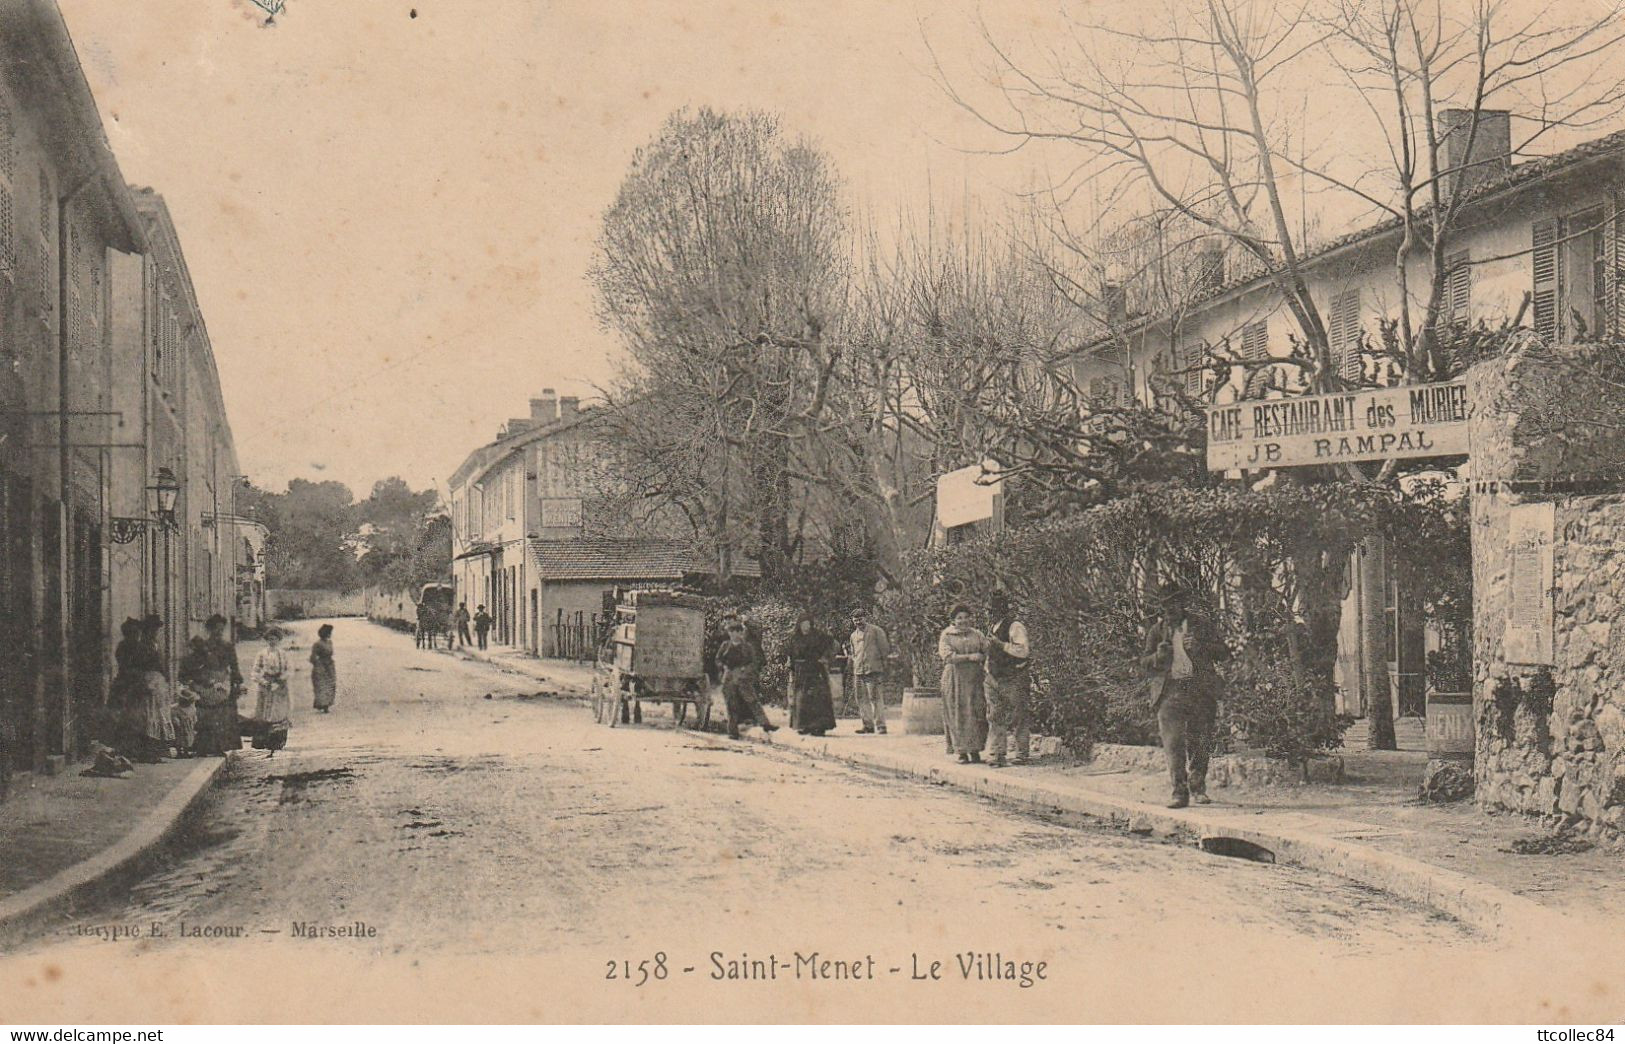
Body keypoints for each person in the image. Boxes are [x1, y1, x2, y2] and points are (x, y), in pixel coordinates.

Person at [1140, 594, 1222, 809]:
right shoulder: (1157, 631)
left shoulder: (1201, 625)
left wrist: (1200, 646)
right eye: (1164, 607)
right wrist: (1158, 657)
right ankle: (1179, 792)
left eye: (1173, 605)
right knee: (1173, 743)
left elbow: (1223, 652)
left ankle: (1198, 786)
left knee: (1201, 740)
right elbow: (1144, 663)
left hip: (1199, 690)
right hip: (1170, 692)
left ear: (1182, 605)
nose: (1169, 611)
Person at [984, 591, 1033, 769]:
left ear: (1002, 610)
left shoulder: (1015, 626)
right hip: (994, 677)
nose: (989, 613)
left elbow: (1023, 651)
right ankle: (997, 754)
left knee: (1018, 715)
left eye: (992, 610)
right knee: (995, 715)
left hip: (1013, 677)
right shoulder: (992, 627)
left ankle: (1021, 753)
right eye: (988, 610)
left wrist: (1001, 645)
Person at [938, 604, 989, 764]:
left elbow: (987, 651)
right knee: (958, 713)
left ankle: (975, 750)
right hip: (955, 678)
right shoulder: (947, 635)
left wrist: (984, 657)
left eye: (966, 617)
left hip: (975, 678)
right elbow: (947, 656)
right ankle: (961, 751)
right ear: (953, 620)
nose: (963, 621)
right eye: (959, 618)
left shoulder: (977, 634)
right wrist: (969, 657)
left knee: (976, 711)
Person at [717, 619, 776, 740]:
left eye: (737, 632)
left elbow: (754, 662)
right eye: (731, 632)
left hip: (743, 678)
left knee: (752, 701)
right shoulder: (725, 645)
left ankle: (766, 724)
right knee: (731, 705)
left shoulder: (747, 647)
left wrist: (745, 670)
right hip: (729, 677)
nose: (734, 634)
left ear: (741, 633)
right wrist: (723, 667)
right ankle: (732, 731)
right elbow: (718, 659)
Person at [194, 614, 244, 754]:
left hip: (224, 681)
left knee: (224, 715)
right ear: (210, 629)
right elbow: (196, 665)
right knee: (207, 715)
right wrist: (201, 680)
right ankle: (204, 747)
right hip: (207, 681)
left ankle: (220, 746)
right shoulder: (203, 646)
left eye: (222, 629)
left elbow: (234, 665)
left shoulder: (228, 646)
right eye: (216, 629)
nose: (219, 632)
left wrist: (236, 681)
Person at [130, 614, 176, 763]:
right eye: (153, 629)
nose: (156, 632)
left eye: (156, 629)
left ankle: (155, 750)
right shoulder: (143, 646)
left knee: (158, 715)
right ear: (147, 630)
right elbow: (141, 665)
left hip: (157, 682)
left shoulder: (154, 644)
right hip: (149, 682)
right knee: (150, 716)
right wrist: (146, 682)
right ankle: (148, 752)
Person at [785, 613, 836, 737]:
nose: (805, 627)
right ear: (799, 625)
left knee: (817, 699)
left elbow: (833, 645)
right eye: (803, 624)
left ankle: (819, 727)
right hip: (800, 671)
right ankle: (804, 726)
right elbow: (790, 654)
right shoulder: (795, 638)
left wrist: (825, 658)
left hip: (815, 671)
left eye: (807, 624)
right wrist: (790, 666)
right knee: (801, 698)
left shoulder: (819, 636)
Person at [847, 609, 893, 735]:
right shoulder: (853, 636)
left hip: (873, 669)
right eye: (855, 620)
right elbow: (854, 653)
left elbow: (884, 649)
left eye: (860, 619)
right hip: (859, 671)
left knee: (875, 698)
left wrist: (882, 665)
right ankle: (867, 725)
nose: (858, 622)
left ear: (865, 618)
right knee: (861, 699)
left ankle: (881, 725)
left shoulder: (876, 631)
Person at [251, 626, 292, 756]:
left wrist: (280, 680)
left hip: (279, 686)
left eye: (274, 639)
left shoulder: (283, 654)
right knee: (264, 712)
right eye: (269, 639)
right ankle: (263, 741)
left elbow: (288, 669)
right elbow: (255, 670)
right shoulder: (262, 654)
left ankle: (278, 741)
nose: (272, 641)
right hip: (266, 686)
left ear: (279, 640)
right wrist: (263, 681)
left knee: (278, 713)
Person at [310, 623, 337, 712]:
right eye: (329, 633)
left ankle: (327, 703)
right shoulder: (317, 644)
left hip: (330, 666)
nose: (330, 634)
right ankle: (323, 704)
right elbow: (312, 657)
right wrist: (318, 665)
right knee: (321, 685)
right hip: (320, 667)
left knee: (330, 684)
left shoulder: (330, 642)